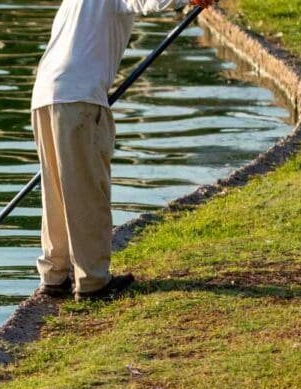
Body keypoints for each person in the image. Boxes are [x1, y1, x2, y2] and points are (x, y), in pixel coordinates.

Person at [32, 0, 217, 301]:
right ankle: (92, 282)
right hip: (79, 96)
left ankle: (55, 274)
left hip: (44, 93)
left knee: (56, 190)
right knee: (86, 190)